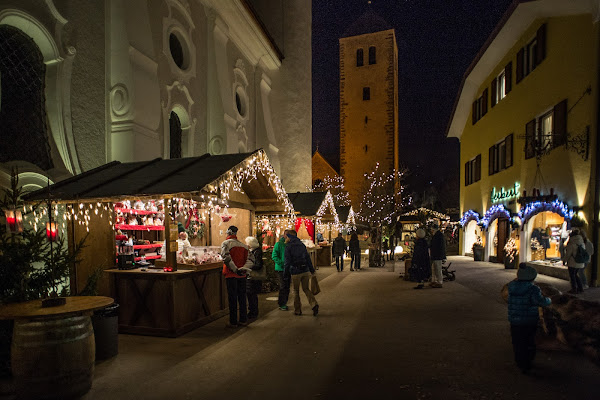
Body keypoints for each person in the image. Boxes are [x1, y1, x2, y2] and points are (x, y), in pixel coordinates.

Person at [507, 263, 551, 374]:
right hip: (529, 321)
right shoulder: (533, 289)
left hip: (514, 321)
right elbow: (540, 301)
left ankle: (519, 362)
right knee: (529, 342)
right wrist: (549, 300)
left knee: (517, 342)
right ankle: (527, 363)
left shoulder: (512, 287)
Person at [221, 226, 253, 328]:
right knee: (242, 298)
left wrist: (235, 269)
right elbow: (250, 260)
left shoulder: (226, 244)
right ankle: (243, 320)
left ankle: (233, 322)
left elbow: (225, 257)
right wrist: (243, 269)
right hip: (242, 275)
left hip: (231, 275)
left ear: (228, 232)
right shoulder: (243, 245)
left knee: (232, 299)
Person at [284, 230, 319, 316]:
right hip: (305, 271)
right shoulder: (302, 245)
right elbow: (308, 259)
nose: (285, 237)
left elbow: (287, 262)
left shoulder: (288, 247)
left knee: (296, 291)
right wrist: (311, 270)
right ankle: (314, 304)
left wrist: (285, 273)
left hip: (295, 271)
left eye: (286, 236)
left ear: (289, 237)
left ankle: (298, 310)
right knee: (306, 289)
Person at [245, 236, 266, 320]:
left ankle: (253, 312)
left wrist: (248, 266)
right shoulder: (255, 251)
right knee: (251, 295)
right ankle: (253, 311)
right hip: (252, 276)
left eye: (247, 243)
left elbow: (258, 265)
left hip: (253, 277)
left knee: (251, 294)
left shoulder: (256, 252)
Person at [562, 229, 585, 294]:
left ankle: (574, 289)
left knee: (572, 276)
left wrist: (564, 261)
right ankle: (580, 288)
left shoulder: (572, 244)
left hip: (573, 262)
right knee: (575, 275)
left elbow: (568, 254)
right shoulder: (582, 243)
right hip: (580, 262)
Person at [272, 231, 290, 310]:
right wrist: (281, 263)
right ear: (284, 235)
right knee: (283, 286)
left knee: (287, 286)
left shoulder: (289, 244)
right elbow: (274, 256)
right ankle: (281, 303)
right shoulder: (279, 244)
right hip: (280, 269)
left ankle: (284, 302)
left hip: (288, 268)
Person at [429, 223, 446, 288]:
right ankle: (434, 281)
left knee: (438, 269)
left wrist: (443, 256)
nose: (431, 230)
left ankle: (439, 281)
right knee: (434, 268)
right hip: (435, 254)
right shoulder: (436, 235)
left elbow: (441, 246)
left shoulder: (438, 236)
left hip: (437, 255)